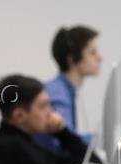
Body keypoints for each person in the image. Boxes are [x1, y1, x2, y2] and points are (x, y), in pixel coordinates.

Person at [37, 25, 103, 156]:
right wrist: (110, 141)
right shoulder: (58, 95)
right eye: (92, 53)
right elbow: (67, 143)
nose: (100, 57)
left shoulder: (65, 89)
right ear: (72, 59)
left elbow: (71, 137)